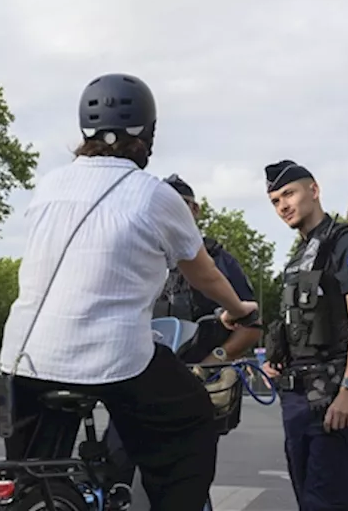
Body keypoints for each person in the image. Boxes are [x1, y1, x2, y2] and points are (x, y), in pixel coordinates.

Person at [0, 73, 259, 511]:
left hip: (23, 356)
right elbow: (205, 274)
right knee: (191, 423)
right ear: (147, 134)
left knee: (32, 474)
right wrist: (237, 309)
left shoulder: (49, 185)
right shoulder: (155, 195)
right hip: (113, 355)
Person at [102, 173, 264, 494]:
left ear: (196, 210)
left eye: (179, 206)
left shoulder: (218, 261)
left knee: (187, 481)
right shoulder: (139, 256)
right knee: (113, 468)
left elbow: (252, 327)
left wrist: (213, 360)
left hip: (194, 380)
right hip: (137, 376)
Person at [260, 160, 348, 511]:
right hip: (298, 398)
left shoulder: (347, 244)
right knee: (310, 501)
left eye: (289, 193)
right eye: (275, 200)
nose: (283, 205)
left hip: (333, 396)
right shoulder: (301, 255)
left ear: (313, 190)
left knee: (327, 503)